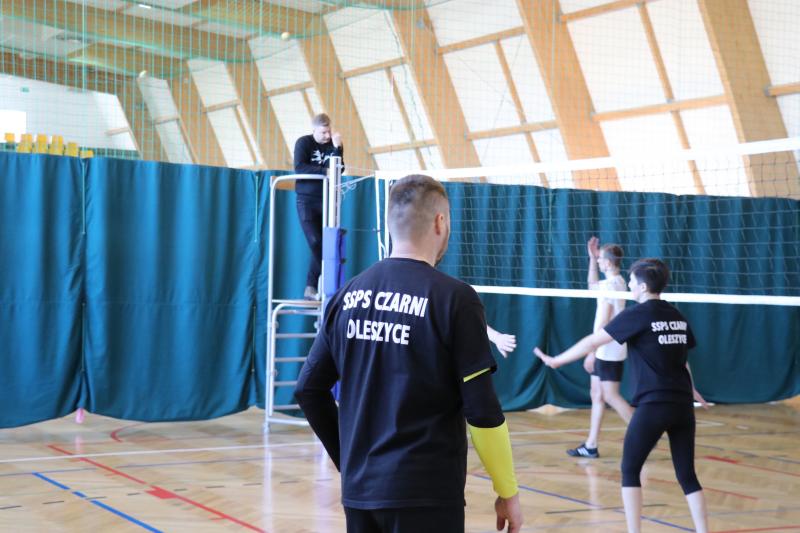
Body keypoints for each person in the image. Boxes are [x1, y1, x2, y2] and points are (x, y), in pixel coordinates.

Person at [295, 174, 523, 533]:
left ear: (390, 225)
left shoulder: (347, 295)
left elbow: (308, 389)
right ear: (440, 222)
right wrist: (507, 490)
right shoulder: (455, 299)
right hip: (426, 495)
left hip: (361, 494)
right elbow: (482, 411)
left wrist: (350, 461)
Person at [534, 258, 708, 533]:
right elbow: (683, 359)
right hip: (683, 405)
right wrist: (693, 389)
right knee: (687, 474)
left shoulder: (637, 314)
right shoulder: (677, 315)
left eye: (632, 282)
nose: (629, 286)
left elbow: (593, 341)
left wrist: (557, 360)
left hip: (654, 404)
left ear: (642, 287)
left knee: (630, 469)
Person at [542, 237, 633, 458]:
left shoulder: (611, 286)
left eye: (600, 259)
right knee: (597, 394)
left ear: (608, 263)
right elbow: (592, 287)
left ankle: (645, 432)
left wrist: (592, 352)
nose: (599, 262)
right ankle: (591, 445)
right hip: (609, 348)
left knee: (610, 396)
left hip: (608, 350)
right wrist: (591, 259)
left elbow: (604, 323)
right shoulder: (617, 281)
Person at [294, 113, 344, 300]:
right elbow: (300, 167)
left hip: (327, 199)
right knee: (316, 242)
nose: (327, 136)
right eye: (323, 132)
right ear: (314, 130)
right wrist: (325, 171)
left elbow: (339, 169)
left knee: (328, 242)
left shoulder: (333, 143)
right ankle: (314, 285)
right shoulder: (303, 143)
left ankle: (311, 287)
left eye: (329, 131)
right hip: (306, 201)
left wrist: (338, 148)